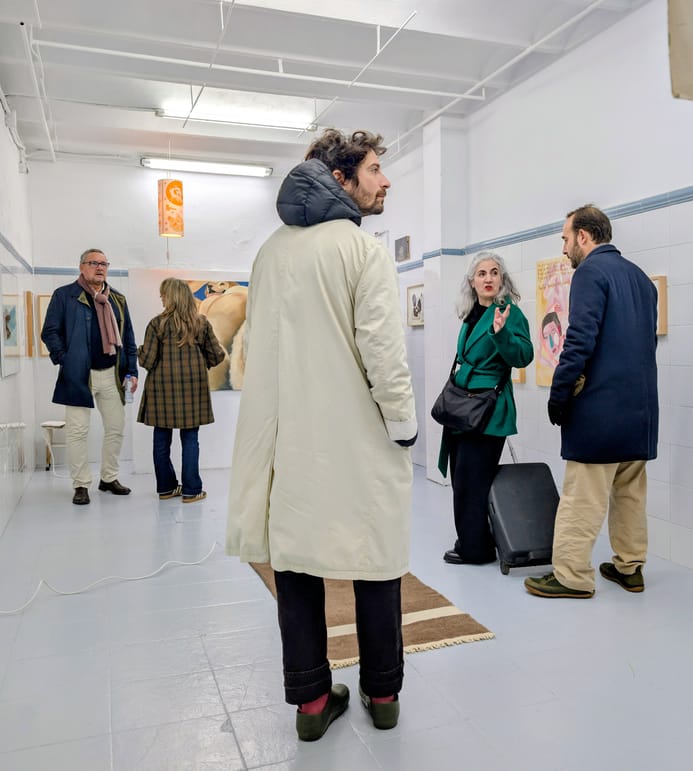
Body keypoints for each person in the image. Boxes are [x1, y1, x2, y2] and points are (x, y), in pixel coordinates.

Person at [225, 129, 417, 741]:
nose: (385, 180)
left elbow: (258, 350)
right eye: (375, 169)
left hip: (291, 440)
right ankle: (382, 694)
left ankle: (311, 703)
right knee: (375, 558)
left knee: (296, 561)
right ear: (341, 178)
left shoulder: (270, 253)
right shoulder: (362, 250)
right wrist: (404, 427)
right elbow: (383, 352)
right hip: (358, 437)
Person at [524, 205, 658, 599]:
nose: (564, 249)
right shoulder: (641, 279)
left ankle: (571, 577)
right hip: (641, 412)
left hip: (601, 411)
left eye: (566, 239)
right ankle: (630, 567)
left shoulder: (590, 273)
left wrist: (559, 395)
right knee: (630, 493)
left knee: (582, 497)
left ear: (583, 236)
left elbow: (579, 340)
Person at [437, 252, 533, 565]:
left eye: (494, 272)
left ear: (502, 279)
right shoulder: (470, 314)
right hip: (463, 407)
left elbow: (523, 356)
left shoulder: (510, 313)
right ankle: (473, 538)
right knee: (462, 478)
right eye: (482, 273)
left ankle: (475, 549)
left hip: (488, 409)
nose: (488, 278)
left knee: (473, 481)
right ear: (472, 281)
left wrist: (502, 333)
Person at [41, 249, 138, 505]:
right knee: (77, 431)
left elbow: (128, 338)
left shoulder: (117, 299)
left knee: (116, 428)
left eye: (104, 263)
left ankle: (108, 478)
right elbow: (49, 332)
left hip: (112, 374)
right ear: (82, 267)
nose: (100, 267)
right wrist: (65, 359)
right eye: (94, 263)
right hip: (79, 375)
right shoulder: (65, 295)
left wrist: (132, 371)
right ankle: (81, 484)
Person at [136, 278, 225, 503]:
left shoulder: (157, 324)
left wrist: (139, 350)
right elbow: (217, 356)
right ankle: (192, 490)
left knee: (161, 438)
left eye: (163, 295)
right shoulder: (201, 323)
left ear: (171, 297)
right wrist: (200, 362)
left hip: (161, 390)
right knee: (190, 438)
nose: (161, 299)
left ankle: (166, 488)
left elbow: (147, 361)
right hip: (193, 389)